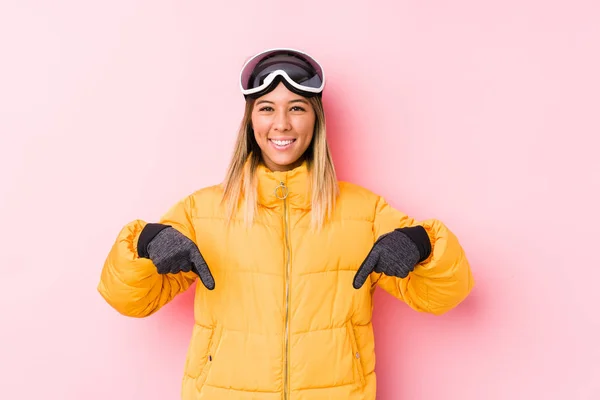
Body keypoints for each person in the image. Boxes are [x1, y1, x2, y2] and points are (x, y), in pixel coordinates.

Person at [98, 48, 474, 400]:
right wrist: (146, 242)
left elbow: (444, 294)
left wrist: (421, 245)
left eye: (296, 108)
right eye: (266, 108)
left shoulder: (365, 211)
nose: (281, 124)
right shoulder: (203, 210)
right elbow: (130, 300)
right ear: (250, 120)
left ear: (316, 119)